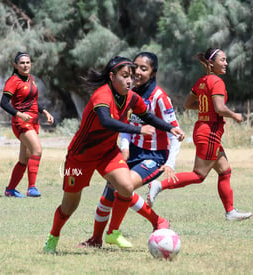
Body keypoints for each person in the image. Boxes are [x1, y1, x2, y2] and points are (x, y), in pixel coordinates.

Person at [43, 56, 184, 253]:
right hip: (80, 156)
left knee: (125, 186)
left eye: (132, 77)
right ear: (112, 76)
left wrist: (170, 128)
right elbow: (106, 121)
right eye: (125, 76)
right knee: (69, 206)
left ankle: (112, 233)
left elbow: (148, 116)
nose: (130, 80)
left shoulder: (131, 97)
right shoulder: (102, 95)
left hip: (108, 152)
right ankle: (53, 235)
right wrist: (139, 130)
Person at [148, 48, 252, 221]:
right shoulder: (217, 81)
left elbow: (188, 104)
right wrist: (235, 115)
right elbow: (219, 108)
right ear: (211, 63)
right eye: (223, 60)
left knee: (225, 171)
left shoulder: (201, 81)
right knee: (198, 175)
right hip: (210, 131)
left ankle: (230, 212)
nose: (226, 63)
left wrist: (206, 108)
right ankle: (158, 185)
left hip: (203, 129)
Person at [0, 52, 54, 198]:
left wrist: (45, 112)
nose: (25, 65)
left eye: (28, 62)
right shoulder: (13, 80)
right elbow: (3, 103)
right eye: (22, 63)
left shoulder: (31, 79)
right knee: (37, 150)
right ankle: (32, 188)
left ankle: (10, 189)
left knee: (24, 159)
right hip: (21, 122)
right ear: (15, 65)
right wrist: (19, 114)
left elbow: (33, 100)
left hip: (34, 121)